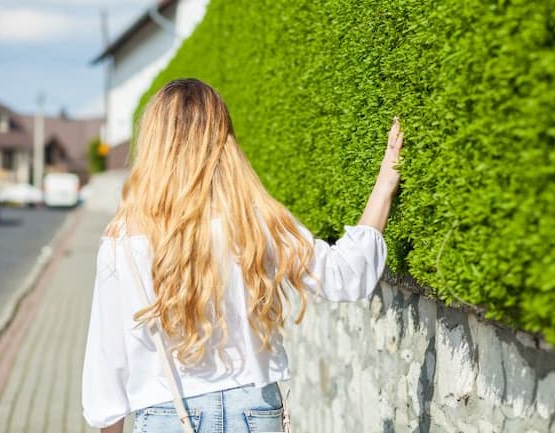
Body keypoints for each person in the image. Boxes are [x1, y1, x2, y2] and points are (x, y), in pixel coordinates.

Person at [81, 78, 404, 433]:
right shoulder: (254, 221)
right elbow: (346, 275)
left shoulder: (122, 241)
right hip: (253, 408)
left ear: (153, 143)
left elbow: (107, 361)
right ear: (223, 140)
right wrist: (386, 181)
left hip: (166, 416)